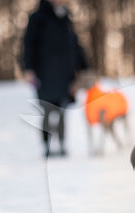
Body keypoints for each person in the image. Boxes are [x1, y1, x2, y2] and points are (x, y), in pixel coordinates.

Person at [22, 0, 88, 157]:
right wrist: (28, 68)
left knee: (62, 110)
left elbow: (75, 45)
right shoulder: (38, 18)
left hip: (65, 74)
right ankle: (47, 146)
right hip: (44, 73)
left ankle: (63, 144)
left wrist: (84, 67)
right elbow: (28, 44)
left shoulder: (66, 18)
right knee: (48, 109)